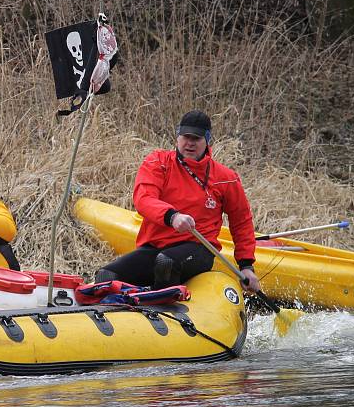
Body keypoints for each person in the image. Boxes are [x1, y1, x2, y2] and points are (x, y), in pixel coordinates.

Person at [95, 110, 261, 292]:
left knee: (166, 262)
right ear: (177, 137)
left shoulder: (226, 178)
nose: (189, 143)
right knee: (106, 276)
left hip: (198, 248)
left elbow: (241, 222)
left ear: (207, 141)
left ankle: (165, 309)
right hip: (155, 248)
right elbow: (144, 199)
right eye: (185, 137)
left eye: (196, 139)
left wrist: (246, 266)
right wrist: (172, 217)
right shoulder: (158, 162)